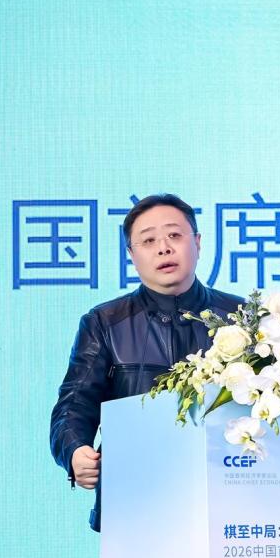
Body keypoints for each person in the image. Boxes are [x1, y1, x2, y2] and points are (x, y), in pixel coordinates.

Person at [49, 193, 244, 531]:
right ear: (131, 254)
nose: (164, 248)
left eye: (175, 235)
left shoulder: (242, 317)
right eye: (149, 240)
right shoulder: (105, 323)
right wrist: (76, 451)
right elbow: (74, 405)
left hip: (228, 502)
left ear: (197, 243)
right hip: (135, 505)